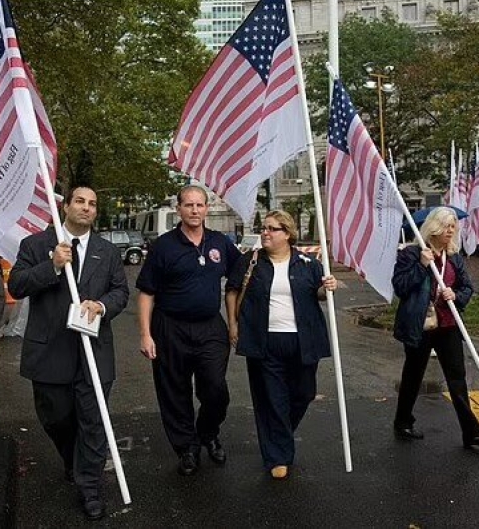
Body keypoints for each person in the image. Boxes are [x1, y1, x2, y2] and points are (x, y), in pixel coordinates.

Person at [7, 187, 129, 521]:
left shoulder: (107, 251)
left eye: (92, 204)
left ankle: (90, 487)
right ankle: (72, 458)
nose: (86, 208)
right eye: (80, 201)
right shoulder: (35, 245)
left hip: (94, 352)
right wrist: (52, 266)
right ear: (65, 205)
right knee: (57, 418)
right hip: (50, 352)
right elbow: (16, 286)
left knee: (93, 422)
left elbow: (121, 291)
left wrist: (101, 305)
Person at [136, 185, 242, 477]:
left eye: (200, 205)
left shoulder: (220, 242)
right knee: (174, 392)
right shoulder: (164, 246)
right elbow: (146, 293)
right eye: (189, 205)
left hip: (210, 327)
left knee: (216, 389)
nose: (195, 210)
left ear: (207, 208)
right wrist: (145, 334)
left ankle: (207, 433)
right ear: (178, 209)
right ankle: (187, 448)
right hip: (170, 327)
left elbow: (242, 275)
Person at [225, 210, 337, 480]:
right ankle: (277, 455)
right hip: (264, 340)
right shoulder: (251, 261)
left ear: (287, 234)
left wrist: (328, 286)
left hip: (302, 340)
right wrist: (233, 324)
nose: (265, 233)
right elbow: (232, 290)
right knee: (272, 400)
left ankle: (279, 435)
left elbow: (318, 292)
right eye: (264, 228)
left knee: (304, 394)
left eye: (273, 229)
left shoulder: (307, 263)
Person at [391, 206, 479, 448]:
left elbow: (467, 288)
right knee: (413, 375)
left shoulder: (454, 257)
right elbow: (400, 287)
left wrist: (455, 295)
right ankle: (403, 421)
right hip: (421, 325)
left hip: (448, 325)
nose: (451, 230)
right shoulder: (412, 254)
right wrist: (422, 266)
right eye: (447, 226)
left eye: (453, 226)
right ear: (434, 228)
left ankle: (471, 432)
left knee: (457, 378)